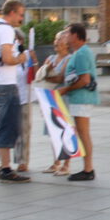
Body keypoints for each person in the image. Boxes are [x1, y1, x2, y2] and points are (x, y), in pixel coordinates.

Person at [0, 0, 30, 183]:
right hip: (5, 83)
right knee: (7, 125)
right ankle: (6, 169)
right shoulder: (6, 30)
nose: (21, 19)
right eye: (20, 14)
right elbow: (7, 58)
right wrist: (21, 58)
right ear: (12, 12)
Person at [56, 22, 98, 181]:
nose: (65, 36)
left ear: (75, 35)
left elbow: (85, 79)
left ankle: (88, 169)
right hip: (79, 98)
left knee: (83, 133)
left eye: (67, 33)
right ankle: (87, 168)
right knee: (82, 132)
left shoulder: (81, 53)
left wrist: (65, 89)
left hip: (82, 98)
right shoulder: (80, 52)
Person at [40, 31, 72, 176]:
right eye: (56, 39)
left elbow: (61, 78)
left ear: (67, 43)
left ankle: (66, 164)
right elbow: (41, 75)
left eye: (60, 39)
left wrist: (48, 75)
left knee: (64, 130)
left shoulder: (69, 59)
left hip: (63, 98)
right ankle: (56, 162)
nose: (56, 42)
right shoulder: (50, 58)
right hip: (50, 96)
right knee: (53, 131)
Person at [12, 29, 38, 173]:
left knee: (24, 130)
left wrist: (34, 60)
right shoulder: (9, 54)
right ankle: (7, 160)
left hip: (25, 96)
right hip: (10, 96)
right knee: (10, 130)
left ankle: (23, 160)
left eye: (17, 39)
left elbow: (35, 75)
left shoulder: (27, 54)